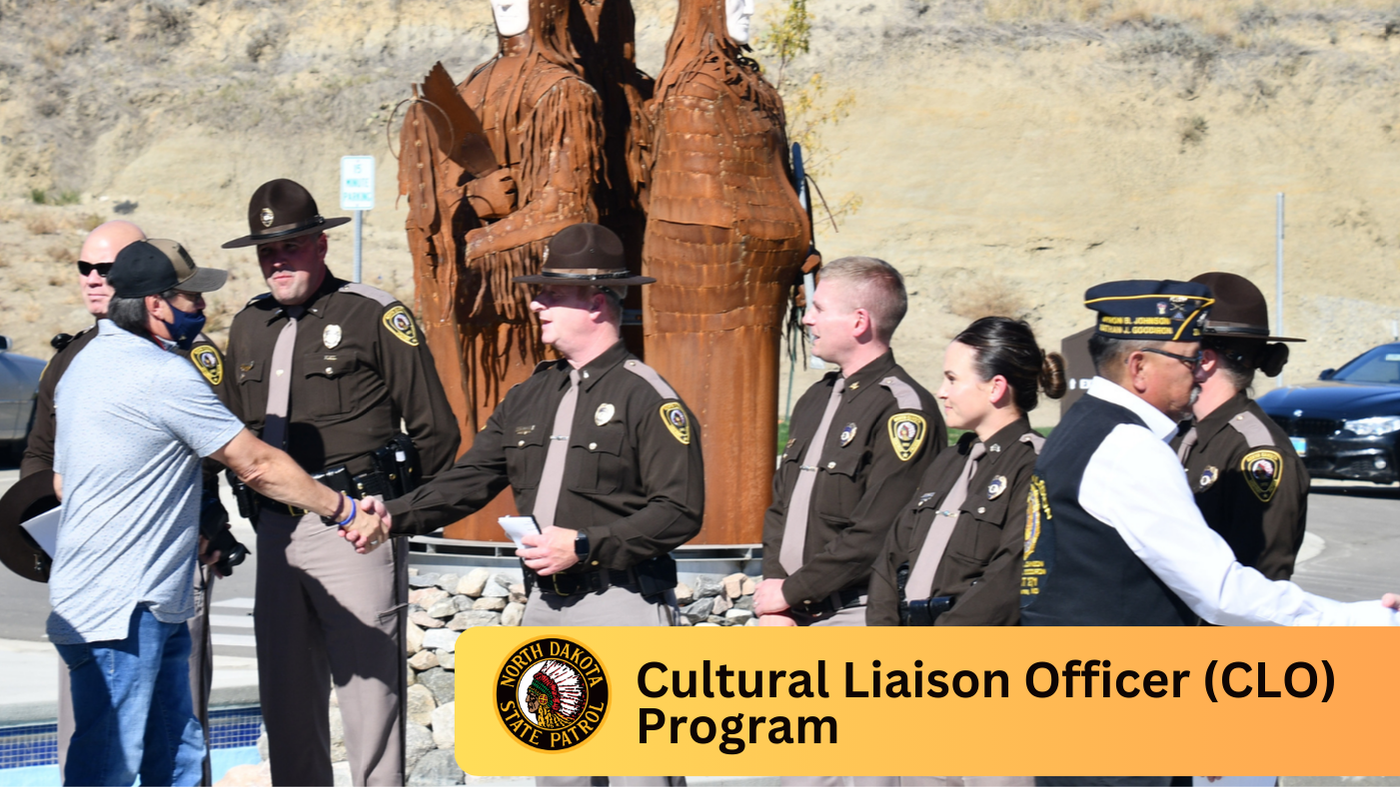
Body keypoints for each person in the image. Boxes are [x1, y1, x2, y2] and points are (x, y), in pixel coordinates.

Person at [350, 222, 703, 787]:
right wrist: (396, 514)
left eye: (552, 293)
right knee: (558, 779)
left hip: (624, 606)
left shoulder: (648, 397)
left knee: (642, 778)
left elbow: (680, 510)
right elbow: (470, 478)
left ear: (596, 302)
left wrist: (586, 545)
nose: (535, 302)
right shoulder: (529, 394)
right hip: (548, 609)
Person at [1019, 279, 1400, 786]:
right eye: (1187, 359)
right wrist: (1363, 623)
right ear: (1138, 367)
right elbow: (1222, 591)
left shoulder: (1081, 426)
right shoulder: (1131, 447)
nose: (1198, 374)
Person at [49, 239, 382, 787]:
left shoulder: (83, 365)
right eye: (191, 298)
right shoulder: (160, 373)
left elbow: (65, 482)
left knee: (178, 755)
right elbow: (254, 463)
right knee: (109, 763)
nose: (203, 309)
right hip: (123, 609)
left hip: (132, 600)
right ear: (156, 304)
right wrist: (343, 509)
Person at [220, 178, 461, 786]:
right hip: (276, 533)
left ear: (321, 244)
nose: (278, 261)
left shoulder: (373, 314)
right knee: (286, 698)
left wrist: (395, 518)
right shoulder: (249, 325)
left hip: (354, 528)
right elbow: (230, 433)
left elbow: (436, 431)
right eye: (266, 251)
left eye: (291, 246)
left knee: (369, 698)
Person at [16, 221, 232, 785]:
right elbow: (44, 466)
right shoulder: (74, 361)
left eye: (105, 270)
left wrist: (212, 526)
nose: (94, 280)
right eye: (84, 268)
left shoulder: (181, 360)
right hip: (106, 591)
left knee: (175, 746)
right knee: (112, 748)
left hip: (170, 571)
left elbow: (208, 458)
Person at [755, 256, 942, 631]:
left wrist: (792, 591)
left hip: (857, 614)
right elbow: (781, 508)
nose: (808, 319)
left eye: (819, 309)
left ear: (859, 322)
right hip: (788, 614)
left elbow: (877, 531)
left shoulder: (903, 410)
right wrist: (777, 600)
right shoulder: (815, 399)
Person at [868, 317, 1065, 630]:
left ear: (995, 388)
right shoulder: (949, 462)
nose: (941, 391)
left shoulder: (1035, 467)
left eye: (952, 379)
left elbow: (1007, 580)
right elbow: (890, 558)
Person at [1172, 272, 1307, 581]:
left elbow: (1260, 581)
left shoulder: (1257, 453)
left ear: (1202, 360)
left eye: (1174, 352)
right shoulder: (1181, 435)